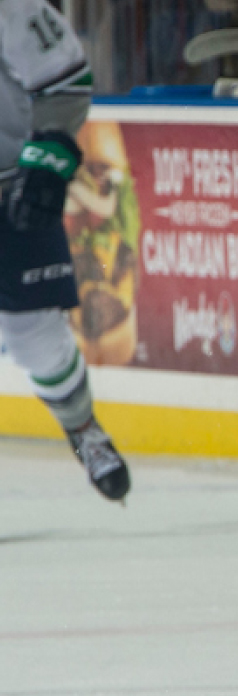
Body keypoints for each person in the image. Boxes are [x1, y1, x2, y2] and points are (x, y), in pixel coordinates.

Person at [1, 0, 129, 502]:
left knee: (34, 335)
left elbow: (64, 81)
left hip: (10, 188)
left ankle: (83, 428)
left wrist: (47, 159)